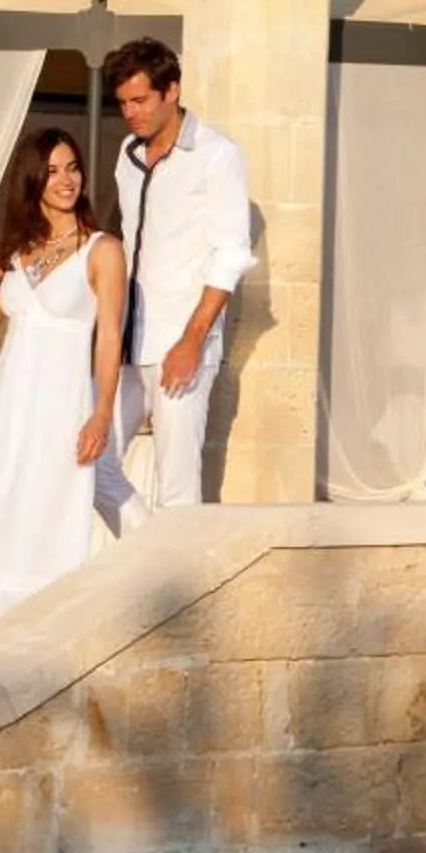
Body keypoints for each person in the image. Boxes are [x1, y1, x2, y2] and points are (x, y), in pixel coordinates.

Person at [0, 129, 126, 653]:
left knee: (48, 517)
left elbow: (108, 341)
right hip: (7, 406)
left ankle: (42, 639)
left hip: (61, 404)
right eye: (54, 170)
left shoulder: (102, 251)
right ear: (34, 179)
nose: (67, 180)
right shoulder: (19, 252)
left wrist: (101, 412)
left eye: (73, 167)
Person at [98, 37, 254, 509]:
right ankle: (148, 550)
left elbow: (231, 253)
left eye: (140, 100)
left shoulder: (216, 154)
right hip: (126, 342)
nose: (131, 113)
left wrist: (191, 341)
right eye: (123, 103)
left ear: (171, 91)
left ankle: (175, 581)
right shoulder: (127, 152)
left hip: (180, 345)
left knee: (177, 488)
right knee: (90, 465)